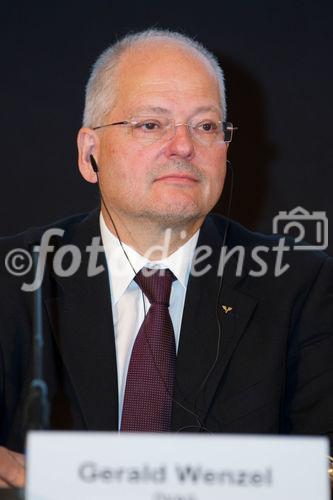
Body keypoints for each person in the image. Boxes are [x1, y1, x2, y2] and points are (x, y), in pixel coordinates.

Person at [1, 29, 333, 489]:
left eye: (206, 126)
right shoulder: (17, 278)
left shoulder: (302, 286)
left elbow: (321, 465)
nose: (183, 146)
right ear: (89, 153)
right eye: (151, 125)